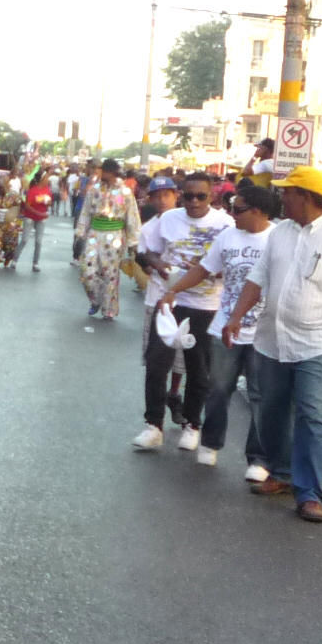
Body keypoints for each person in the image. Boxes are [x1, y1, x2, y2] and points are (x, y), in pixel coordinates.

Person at [220, 166, 322, 524]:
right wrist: (236, 316)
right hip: (272, 340)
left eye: (288, 192)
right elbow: (258, 278)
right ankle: (282, 473)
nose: (281, 198)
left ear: (305, 196)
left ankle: (309, 493)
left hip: (319, 342)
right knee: (270, 411)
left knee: (313, 415)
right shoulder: (279, 233)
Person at [159, 181, 277, 476]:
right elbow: (203, 269)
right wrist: (174, 290)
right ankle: (210, 444)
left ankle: (259, 459)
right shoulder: (228, 237)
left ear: (259, 211)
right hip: (225, 327)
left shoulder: (278, 238)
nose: (232, 214)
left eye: (238, 209)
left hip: (265, 332)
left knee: (260, 395)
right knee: (218, 389)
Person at [137, 177, 234, 454]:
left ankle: (192, 424)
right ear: (181, 196)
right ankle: (153, 425)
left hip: (206, 304)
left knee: (198, 369)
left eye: (200, 197)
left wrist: (211, 271)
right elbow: (145, 253)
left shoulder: (225, 224)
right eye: (188, 196)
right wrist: (161, 265)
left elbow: (234, 265)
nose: (193, 202)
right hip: (168, 299)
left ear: (211, 196)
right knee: (157, 363)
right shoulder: (167, 220)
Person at [76, 159, 142, 320]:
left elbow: (132, 217)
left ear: (112, 173)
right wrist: (80, 233)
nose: (101, 174)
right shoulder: (94, 190)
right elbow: (85, 212)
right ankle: (95, 300)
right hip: (94, 233)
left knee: (110, 274)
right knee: (87, 271)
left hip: (115, 235)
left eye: (104, 171)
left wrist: (134, 242)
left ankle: (109, 309)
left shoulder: (125, 192)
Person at [23, 167, 56, 270]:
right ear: (41, 180)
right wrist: (38, 212)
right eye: (46, 178)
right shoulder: (32, 191)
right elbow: (27, 206)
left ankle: (35, 263)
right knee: (24, 240)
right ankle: (14, 261)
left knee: (38, 241)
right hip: (30, 217)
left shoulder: (47, 190)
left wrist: (46, 201)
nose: (48, 180)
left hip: (41, 218)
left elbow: (50, 202)